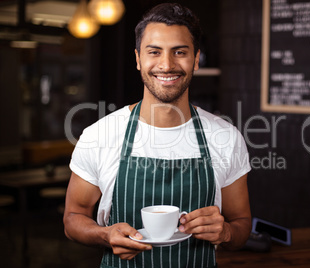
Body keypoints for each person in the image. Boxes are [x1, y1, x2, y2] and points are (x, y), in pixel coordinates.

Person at [63, 3, 251, 267]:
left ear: (196, 59)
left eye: (180, 52)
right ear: (138, 59)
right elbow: (73, 217)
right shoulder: (99, 135)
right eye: (154, 52)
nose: (167, 64)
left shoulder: (227, 138)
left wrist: (227, 232)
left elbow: (242, 224)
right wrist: (104, 235)